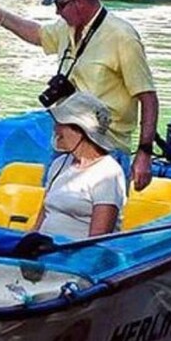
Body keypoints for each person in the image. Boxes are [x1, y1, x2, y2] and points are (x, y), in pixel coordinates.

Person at [0, 0, 159, 190]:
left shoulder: (122, 37)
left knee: (98, 214)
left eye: (60, 5)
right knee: (53, 204)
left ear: (79, 1)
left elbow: (148, 98)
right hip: (65, 140)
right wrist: (1, 16)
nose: (57, 12)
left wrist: (144, 153)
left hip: (106, 145)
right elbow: (38, 34)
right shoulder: (67, 27)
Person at [33, 91, 126, 240]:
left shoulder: (108, 174)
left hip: (74, 256)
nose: (56, 130)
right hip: (44, 250)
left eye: (61, 125)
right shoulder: (59, 164)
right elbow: (41, 217)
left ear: (80, 131)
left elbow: (98, 239)